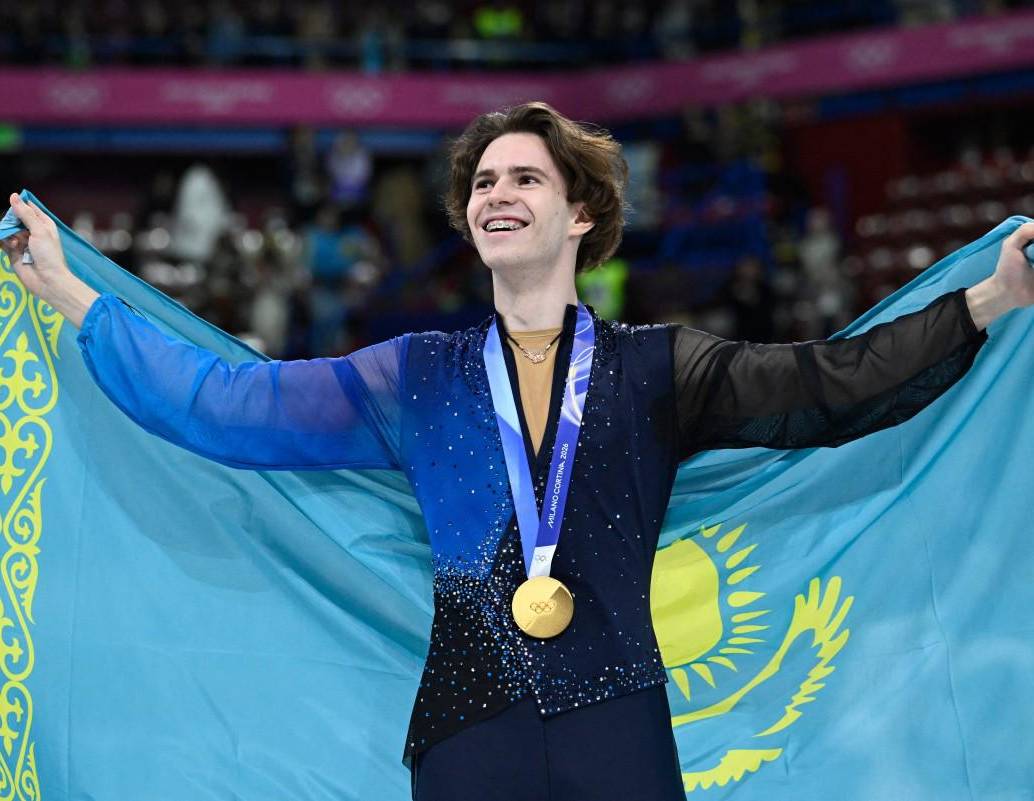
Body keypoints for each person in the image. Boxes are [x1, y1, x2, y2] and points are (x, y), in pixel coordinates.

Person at [3, 102, 1034, 801]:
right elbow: (230, 406)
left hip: (617, 725)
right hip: (467, 730)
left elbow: (827, 387)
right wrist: (68, 292)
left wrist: (988, 300)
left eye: (524, 178)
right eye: (482, 181)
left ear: (580, 211)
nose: (495, 192)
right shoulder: (414, 374)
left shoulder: (662, 367)